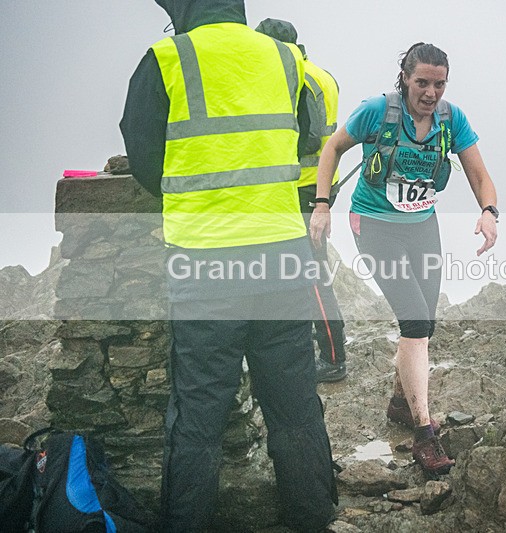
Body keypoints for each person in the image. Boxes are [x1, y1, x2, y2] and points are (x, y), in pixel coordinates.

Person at [119, 1, 337, 530]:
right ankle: (311, 516)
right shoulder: (285, 57)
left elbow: (143, 153)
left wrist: (193, 192)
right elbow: (309, 136)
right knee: (294, 402)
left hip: (205, 262)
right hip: (281, 255)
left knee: (199, 414)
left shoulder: (166, 57)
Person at [310, 42, 499, 476]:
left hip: (421, 225)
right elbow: (333, 148)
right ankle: (424, 434)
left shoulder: (451, 119)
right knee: (414, 323)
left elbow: (479, 174)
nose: (431, 93)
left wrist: (489, 212)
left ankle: (400, 402)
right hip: (374, 226)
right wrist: (322, 204)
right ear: (405, 79)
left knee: (423, 323)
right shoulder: (376, 111)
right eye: (422, 83)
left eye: (439, 84)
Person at [255, 18, 347, 384]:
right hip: (321, 186)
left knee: (312, 275)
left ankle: (333, 358)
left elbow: (306, 139)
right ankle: (324, 349)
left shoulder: (293, 78)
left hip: (304, 187)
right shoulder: (321, 74)